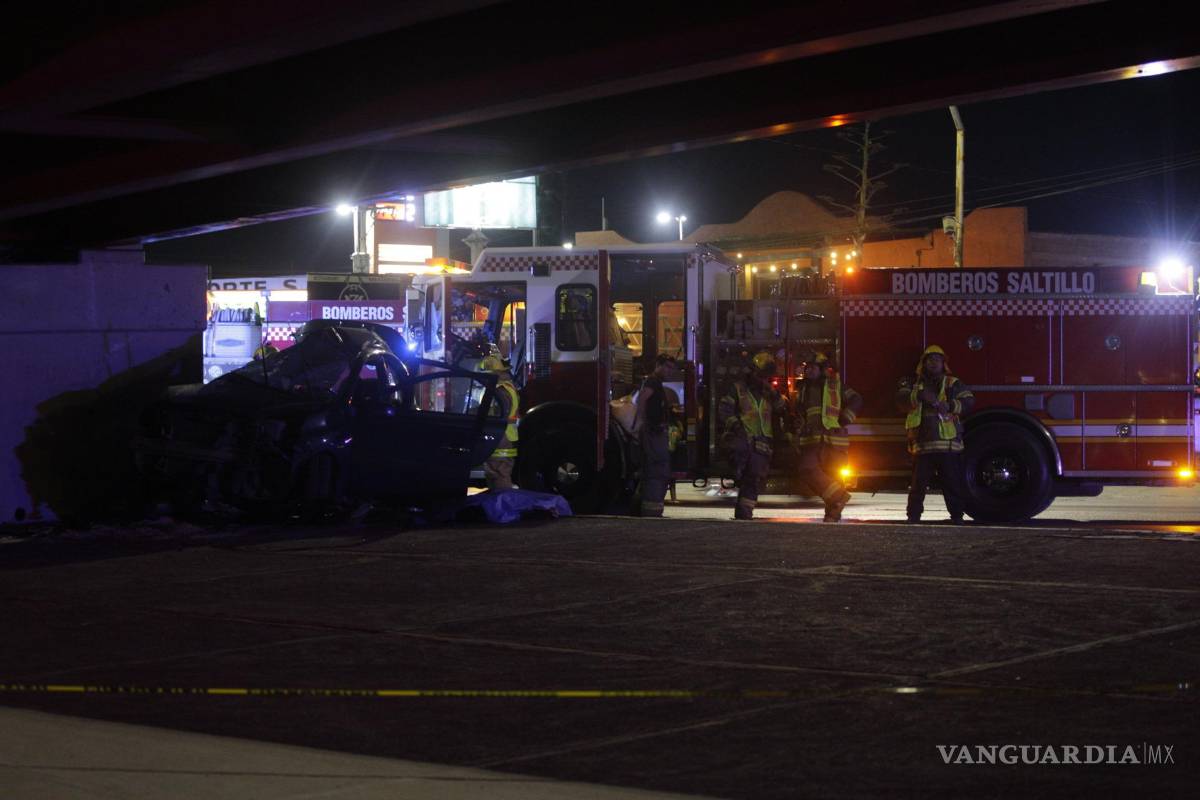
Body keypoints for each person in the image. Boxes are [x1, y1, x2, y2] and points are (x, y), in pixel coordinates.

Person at [899, 345, 975, 523]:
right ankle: (913, 517)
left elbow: (969, 400)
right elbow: (900, 400)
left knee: (952, 484)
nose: (934, 363)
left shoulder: (952, 383)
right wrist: (918, 395)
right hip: (923, 446)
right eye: (930, 359)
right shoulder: (913, 384)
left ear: (944, 364)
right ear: (923, 363)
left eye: (937, 360)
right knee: (918, 486)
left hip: (947, 446)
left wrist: (950, 406)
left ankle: (957, 517)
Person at [718, 351, 788, 520]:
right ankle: (742, 504)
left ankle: (744, 512)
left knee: (754, 477)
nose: (764, 380)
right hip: (742, 441)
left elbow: (783, 409)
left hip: (762, 444)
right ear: (752, 372)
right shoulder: (738, 389)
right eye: (761, 376)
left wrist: (773, 392)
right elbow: (724, 410)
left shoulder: (769, 393)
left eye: (766, 377)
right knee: (747, 474)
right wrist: (736, 427)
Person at [794, 352, 861, 522]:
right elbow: (800, 413)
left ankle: (831, 518)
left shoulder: (836, 386)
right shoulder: (803, 389)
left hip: (835, 440)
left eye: (813, 368)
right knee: (806, 469)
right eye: (807, 368)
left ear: (823, 369)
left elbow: (856, 399)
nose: (808, 371)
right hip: (813, 440)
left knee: (834, 477)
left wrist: (847, 416)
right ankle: (839, 496)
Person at [633, 353, 678, 517]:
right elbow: (641, 401)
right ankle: (651, 512)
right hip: (654, 433)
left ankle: (651, 510)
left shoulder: (656, 382)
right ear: (658, 365)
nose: (669, 371)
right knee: (657, 470)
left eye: (672, 368)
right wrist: (643, 424)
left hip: (656, 432)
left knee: (657, 470)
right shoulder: (652, 381)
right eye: (666, 367)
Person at [479, 354, 520, 491]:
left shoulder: (500, 391)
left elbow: (496, 414)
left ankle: (504, 507)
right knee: (494, 473)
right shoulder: (505, 388)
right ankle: (498, 507)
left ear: (495, 373)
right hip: (503, 436)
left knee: (499, 474)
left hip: (501, 438)